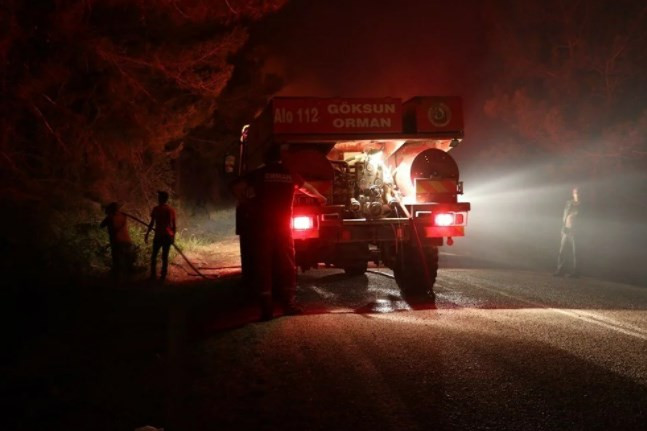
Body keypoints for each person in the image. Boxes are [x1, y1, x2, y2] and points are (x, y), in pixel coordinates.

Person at [233, 144, 327, 321]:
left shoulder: (259, 174)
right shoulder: (288, 173)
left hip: (263, 226)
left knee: (263, 264)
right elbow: (307, 188)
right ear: (280, 158)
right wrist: (320, 198)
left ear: (265, 158)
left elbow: (236, 187)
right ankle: (288, 304)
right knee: (286, 263)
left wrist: (247, 202)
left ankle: (266, 309)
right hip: (283, 226)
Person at [145, 191, 177, 282]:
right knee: (164, 256)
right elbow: (174, 226)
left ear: (162, 198)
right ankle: (162, 276)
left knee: (154, 256)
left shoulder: (156, 209)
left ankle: (153, 275)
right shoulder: (171, 210)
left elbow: (151, 223)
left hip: (159, 236)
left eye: (159, 197)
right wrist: (173, 237)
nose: (158, 198)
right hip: (167, 236)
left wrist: (147, 234)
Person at [100, 202, 135, 282]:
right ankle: (128, 281)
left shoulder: (110, 217)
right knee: (127, 262)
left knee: (118, 263)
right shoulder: (124, 216)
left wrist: (108, 216)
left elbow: (101, 225)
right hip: (127, 242)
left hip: (117, 242)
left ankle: (118, 281)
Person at [554, 186, 580, 277]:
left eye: (578, 192)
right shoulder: (569, 203)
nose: (576, 193)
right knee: (562, 251)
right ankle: (560, 270)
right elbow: (565, 216)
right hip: (566, 230)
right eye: (575, 192)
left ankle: (575, 272)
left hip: (576, 231)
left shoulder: (583, 205)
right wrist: (562, 228)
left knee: (575, 253)